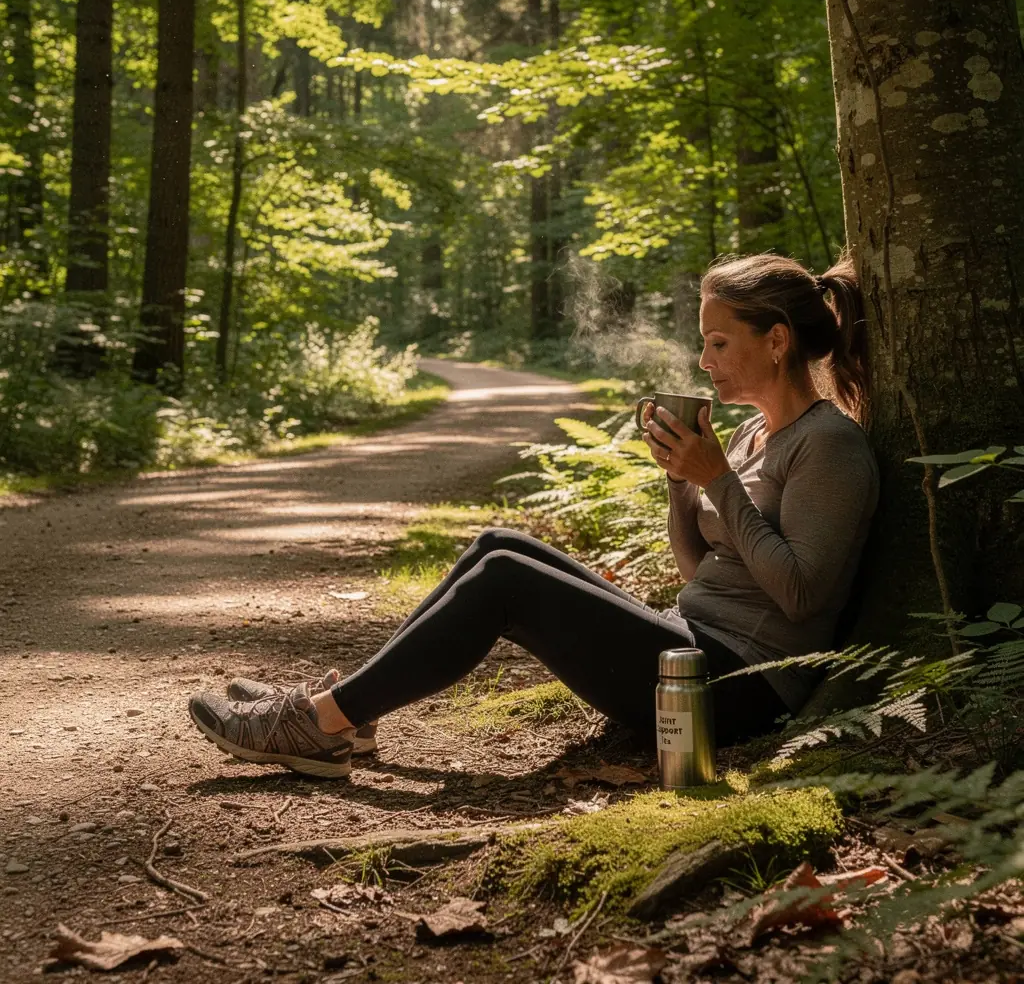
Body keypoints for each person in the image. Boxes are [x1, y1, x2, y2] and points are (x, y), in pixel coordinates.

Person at [188, 251, 880, 779]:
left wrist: (717, 480)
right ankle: (350, 713)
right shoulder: (752, 434)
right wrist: (681, 483)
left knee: (507, 581)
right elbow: (699, 571)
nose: (704, 361)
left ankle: (316, 724)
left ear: (778, 340)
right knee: (499, 544)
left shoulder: (830, 445)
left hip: (739, 686)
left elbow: (800, 594)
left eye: (720, 343)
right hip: (690, 642)